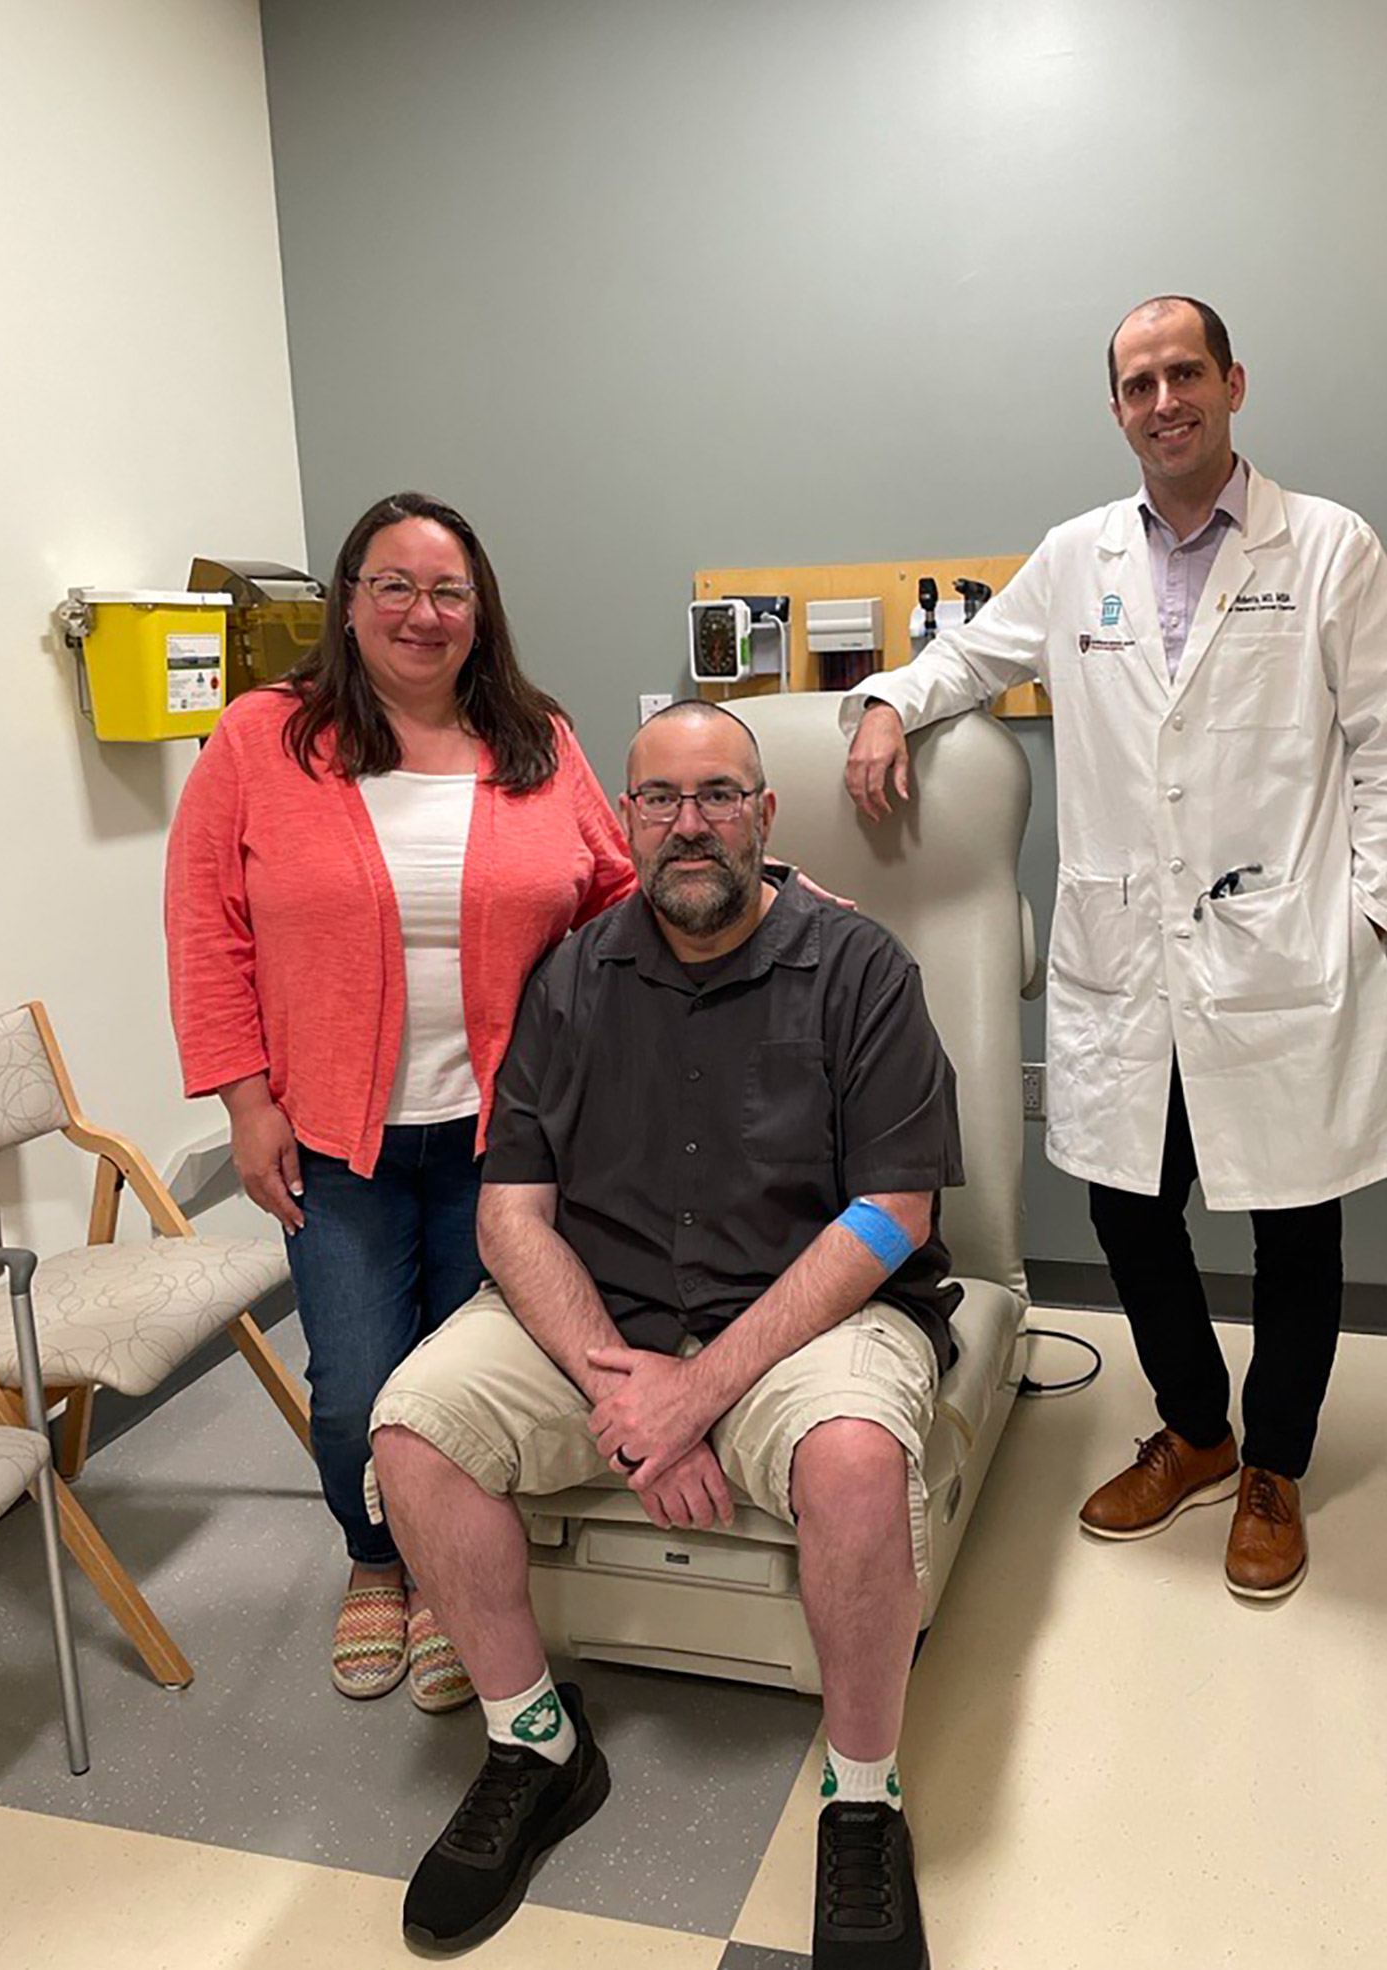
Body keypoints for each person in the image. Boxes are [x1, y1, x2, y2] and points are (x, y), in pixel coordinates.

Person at [843, 295, 1387, 1600]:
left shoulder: (1328, 546)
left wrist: (1369, 914)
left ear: (1233, 382)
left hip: (1281, 948)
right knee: (1126, 1201)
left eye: (1185, 373)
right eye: (1139, 383)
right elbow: (973, 657)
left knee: (1295, 1216)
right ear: (1116, 408)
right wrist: (887, 700)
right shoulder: (1079, 556)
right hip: (1130, 954)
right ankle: (1197, 1429)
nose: (1164, 400)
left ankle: (1274, 1462)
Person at [368, 699, 961, 1963]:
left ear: (764, 813)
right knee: (412, 1429)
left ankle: (863, 1797)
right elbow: (512, 1214)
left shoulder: (861, 970)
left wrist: (695, 1394)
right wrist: (626, 1391)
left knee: (856, 1460)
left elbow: (891, 1213)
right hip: (608, 1313)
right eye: (661, 799)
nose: (690, 824)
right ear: (626, 819)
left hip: (808, 1313)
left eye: (719, 795)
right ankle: (536, 1743)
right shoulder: (571, 980)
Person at [165, 491, 636, 1708]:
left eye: (447, 591)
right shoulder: (261, 739)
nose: (422, 613)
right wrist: (246, 1102)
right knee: (356, 1384)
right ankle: (375, 1557)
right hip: (336, 1137)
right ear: (348, 602)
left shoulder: (537, 739)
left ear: (480, 611)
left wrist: (768, 889)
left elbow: (617, 892)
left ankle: (445, 1574)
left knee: (467, 1374)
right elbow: (207, 929)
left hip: (505, 1138)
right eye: (394, 586)